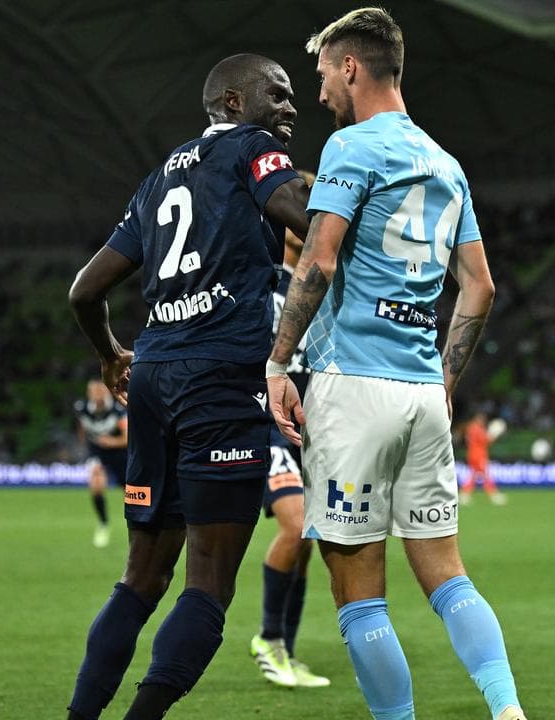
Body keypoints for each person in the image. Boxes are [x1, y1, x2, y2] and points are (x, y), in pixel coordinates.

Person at [267, 8, 527, 720]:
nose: (318, 92)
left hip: (353, 388)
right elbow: (480, 285)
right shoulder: (447, 164)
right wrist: (444, 382)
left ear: (350, 66)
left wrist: (276, 362)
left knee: (359, 591)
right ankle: (507, 710)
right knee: (448, 577)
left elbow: (317, 261)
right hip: (421, 395)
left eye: (322, 74)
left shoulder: (351, 148)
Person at [65, 52, 310, 720]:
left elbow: (85, 290)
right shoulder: (254, 151)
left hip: (151, 378)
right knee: (208, 582)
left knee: (141, 577)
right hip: (222, 379)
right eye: (278, 94)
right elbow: (296, 209)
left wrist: (113, 354)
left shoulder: (155, 180)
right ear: (233, 103)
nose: (291, 107)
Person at [249, 171, 331, 689]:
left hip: (311, 423)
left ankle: (288, 650)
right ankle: (267, 639)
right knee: (295, 523)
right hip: (266, 421)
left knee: (308, 538)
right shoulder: (259, 277)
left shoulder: (322, 282)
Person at [75, 378, 128, 548]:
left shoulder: (118, 410)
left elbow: (127, 438)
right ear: (88, 394)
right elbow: (82, 428)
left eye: (101, 391)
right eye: (94, 392)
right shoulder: (81, 408)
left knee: (128, 492)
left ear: (107, 392)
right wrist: (86, 448)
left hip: (119, 452)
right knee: (96, 482)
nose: (97, 395)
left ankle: (133, 525)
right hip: (97, 451)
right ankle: (103, 524)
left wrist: (110, 442)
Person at [461, 409, 505, 506]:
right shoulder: (477, 429)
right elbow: (487, 440)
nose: (483, 421)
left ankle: (464, 495)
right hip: (479, 455)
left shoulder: (470, 427)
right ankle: (494, 495)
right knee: (485, 475)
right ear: (478, 418)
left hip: (472, 454)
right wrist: (495, 433)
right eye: (482, 419)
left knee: (473, 476)